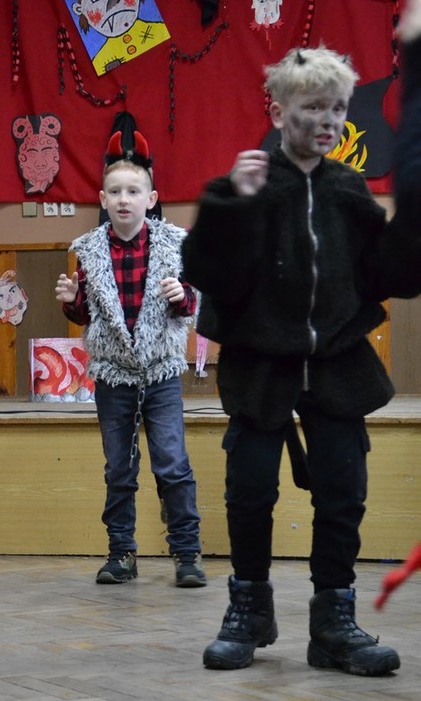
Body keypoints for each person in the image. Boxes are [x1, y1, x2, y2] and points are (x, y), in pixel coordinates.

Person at [181, 2, 421, 676]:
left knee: (342, 493)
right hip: (262, 365)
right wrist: (232, 203)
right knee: (250, 489)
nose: (326, 121)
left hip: (338, 364)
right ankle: (248, 610)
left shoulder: (348, 189)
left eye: (337, 109)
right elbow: (208, 273)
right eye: (312, 107)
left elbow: (388, 275)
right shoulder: (249, 183)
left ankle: (333, 622)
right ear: (279, 110)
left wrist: (410, 229)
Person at [55, 129, 206, 588]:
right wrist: (71, 301)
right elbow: (85, 314)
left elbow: (191, 304)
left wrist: (182, 295)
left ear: (150, 199)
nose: (124, 200)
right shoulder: (88, 251)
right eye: (116, 192)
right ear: (103, 199)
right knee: (119, 469)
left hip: (160, 374)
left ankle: (186, 553)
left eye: (134, 192)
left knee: (172, 464)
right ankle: (121, 553)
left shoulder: (174, 244)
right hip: (113, 376)